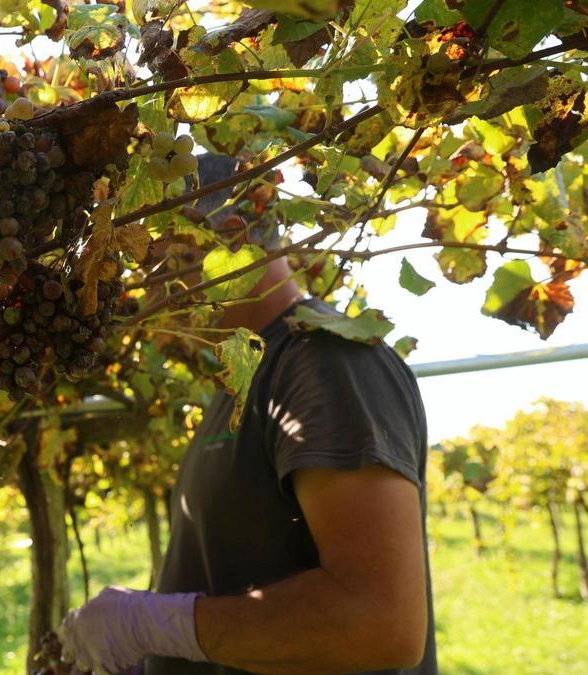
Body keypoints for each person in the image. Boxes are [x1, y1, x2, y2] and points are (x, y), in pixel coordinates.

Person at [59, 154, 437, 674]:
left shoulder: (326, 362)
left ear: (230, 238)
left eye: (155, 259)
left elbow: (382, 624)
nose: (142, 287)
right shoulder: (246, 378)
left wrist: (152, 624)